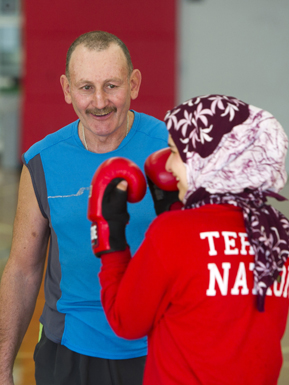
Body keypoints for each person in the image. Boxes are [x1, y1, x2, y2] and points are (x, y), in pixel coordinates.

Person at [0, 31, 168, 385]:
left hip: (159, 350)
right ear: (66, 89)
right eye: (86, 87)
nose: (99, 102)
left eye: (111, 85)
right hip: (70, 354)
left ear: (134, 84)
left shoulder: (170, 152)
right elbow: (22, 270)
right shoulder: (43, 161)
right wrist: (2, 367)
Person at [95, 94, 289, 385]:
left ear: (207, 158)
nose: (169, 166)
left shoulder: (172, 233)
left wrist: (110, 233)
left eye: (175, 152)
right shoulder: (277, 233)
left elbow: (126, 321)